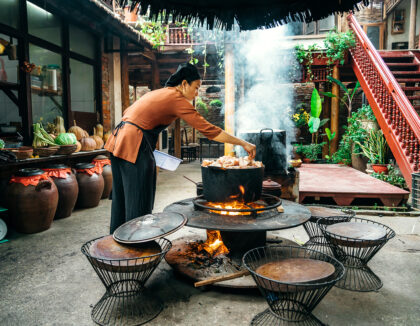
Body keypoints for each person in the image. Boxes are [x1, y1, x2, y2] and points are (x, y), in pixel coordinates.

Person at [104, 63, 256, 233]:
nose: (197, 92)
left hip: (118, 141)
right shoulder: (176, 98)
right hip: (133, 144)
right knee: (139, 198)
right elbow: (209, 130)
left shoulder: (162, 93)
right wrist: (243, 143)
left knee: (121, 199)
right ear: (184, 84)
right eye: (196, 87)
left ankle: (116, 247)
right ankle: (135, 247)